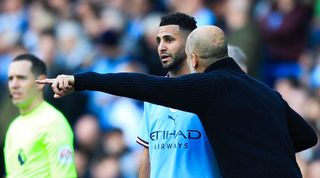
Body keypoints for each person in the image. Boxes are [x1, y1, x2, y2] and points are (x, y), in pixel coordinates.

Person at [38, 25, 318, 178]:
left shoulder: (210, 86)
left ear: (193, 59)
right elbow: (306, 137)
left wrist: (81, 81)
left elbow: (142, 85)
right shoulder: (266, 92)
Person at [136, 13, 220, 178]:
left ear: (190, 45)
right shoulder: (153, 95)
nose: (161, 47)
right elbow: (147, 156)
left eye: (169, 40)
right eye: (158, 41)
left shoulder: (211, 92)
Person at [5, 54, 77, 178]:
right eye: (11, 79)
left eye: (21, 78)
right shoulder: (14, 126)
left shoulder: (53, 123)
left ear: (41, 82)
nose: (14, 85)